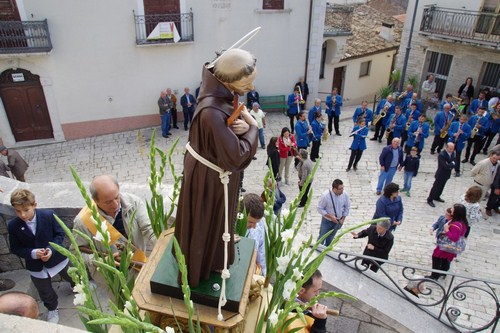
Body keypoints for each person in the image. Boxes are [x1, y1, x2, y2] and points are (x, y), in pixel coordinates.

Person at [174, 48, 259, 287]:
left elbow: (225, 137)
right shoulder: (212, 111)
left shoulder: (220, 95)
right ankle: (199, 268)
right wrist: (253, 130)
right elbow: (237, 157)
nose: (251, 88)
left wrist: (241, 125)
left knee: (210, 222)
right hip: (208, 179)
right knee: (204, 221)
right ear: (228, 79)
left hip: (210, 172)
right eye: (247, 82)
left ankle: (213, 256)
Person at [72, 175, 156, 282]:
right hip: (110, 275)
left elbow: (148, 229)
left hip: (138, 262)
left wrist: (163, 246)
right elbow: (75, 252)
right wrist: (98, 260)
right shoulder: (82, 221)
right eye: (108, 202)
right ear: (95, 200)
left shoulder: (134, 202)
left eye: (116, 197)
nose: (115, 204)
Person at [8, 189, 74, 324]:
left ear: (34, 205)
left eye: (26, 210)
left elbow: (59, 234)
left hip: (57, 258)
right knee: (44, 290)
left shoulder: (48, 215)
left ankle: (78, 286)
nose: (22, 215)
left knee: (71, 273)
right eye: (18, 211)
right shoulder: (13, 225)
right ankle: (52, 308)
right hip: (36, 265)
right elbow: (15, 248)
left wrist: (51, 249)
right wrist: (32, 253)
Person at [427, 204, 468, 280]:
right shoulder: (463, 222)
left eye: (453, 209)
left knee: (436, 257)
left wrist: (446, 230)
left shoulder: (457, 224)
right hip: (451, 246)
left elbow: (454, 238)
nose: (451, 210)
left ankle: (435, 275)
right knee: (445, 259)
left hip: (447, 245)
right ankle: (442, 272)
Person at [317, 179, 351, 246]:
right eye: (340, 189)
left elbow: (347, 207)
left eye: (343, 188)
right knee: (321, 237)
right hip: (327, 221)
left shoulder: (345, 194)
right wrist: (331, 217)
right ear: (334, 188)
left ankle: (326, 251)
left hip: (338, 221)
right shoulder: (325, 196)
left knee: (331, 238)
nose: (342, 190)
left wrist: (343, 219)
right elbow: (319, 208)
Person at [241, 193, 266, 275]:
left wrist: (263, 274)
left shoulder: (260, 224)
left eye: (256, 223)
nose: (254, 226)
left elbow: (262, 250)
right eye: (250, 222)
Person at [427, 142, 456, 207]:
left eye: (452, 148)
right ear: (446, 148)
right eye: (450, 148)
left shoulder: (453, 153)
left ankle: (437, 196)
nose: (452, 150)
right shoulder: (442, 155)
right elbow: (445, 166)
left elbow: (454, 161)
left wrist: (451, 164)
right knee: (436, 187)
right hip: (441, 174)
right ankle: (430, 199)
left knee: (442, 186)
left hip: (447, 174)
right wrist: (451, 164)